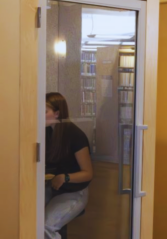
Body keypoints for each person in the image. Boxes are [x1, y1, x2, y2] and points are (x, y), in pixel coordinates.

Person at [44, 93, 94, 239]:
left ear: (57, 113)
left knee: (45, 226)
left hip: (74, 192)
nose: (39, 115)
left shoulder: (75, 135)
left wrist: (64, 177)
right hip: (52, 188)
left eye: (44, 111)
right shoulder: (47, 131)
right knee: (27, 216)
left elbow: (88, 173)